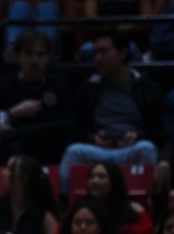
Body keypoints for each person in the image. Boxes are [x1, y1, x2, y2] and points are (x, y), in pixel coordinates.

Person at [58, 30, 164, 195]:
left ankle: (152, 206)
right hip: (98, 150)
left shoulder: (147, 88)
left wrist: (139, 137)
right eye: (95, 52)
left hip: (132, 149)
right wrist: (92, 138)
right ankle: (64, 208)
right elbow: (73, 129)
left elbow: (159, 131)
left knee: (148, 148)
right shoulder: (87, 88)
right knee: (73, 152)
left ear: (123, 52)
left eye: (104, 51)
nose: (98, 58)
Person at [0, 29, 73, 165]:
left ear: (48, 57)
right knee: (14, 147)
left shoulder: (60, 85)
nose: (34, 60)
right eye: (28, 54)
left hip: (48, 147)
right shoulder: (0, 84)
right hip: (12, 151)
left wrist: (5, 121)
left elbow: (67, 124)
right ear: (19, 57)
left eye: (40, 54)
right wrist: (11, 113)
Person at [86, 161, 154, 234]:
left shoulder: (135, 211)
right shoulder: (79, 210)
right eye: (91, 177)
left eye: (101, 176)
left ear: (114, 181)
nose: (94, 181)